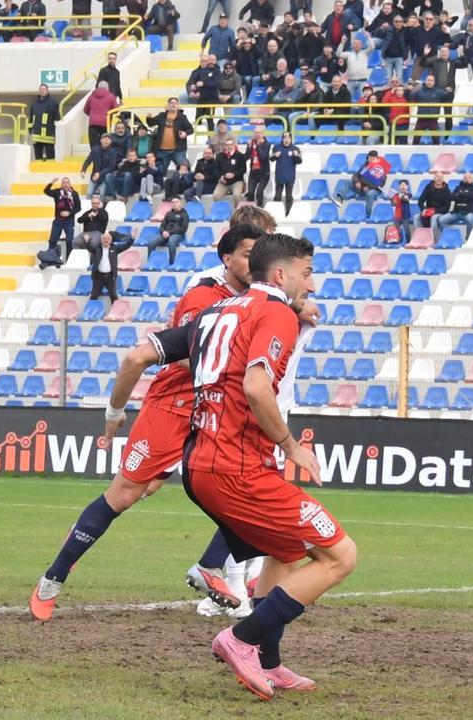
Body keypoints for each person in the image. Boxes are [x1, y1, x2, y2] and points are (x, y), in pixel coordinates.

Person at [102, 231, 353, 699]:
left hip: (201, 462)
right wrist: (291, 445)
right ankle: (242, 639)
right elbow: (257, 387)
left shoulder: (217, 310)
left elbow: (145, 354)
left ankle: (270, 661)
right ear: (280, 274)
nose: (312, 285)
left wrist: (117, 411)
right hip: (240, 468)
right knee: (340, 556)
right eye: (307, 273)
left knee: (284, 551)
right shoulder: (276, 313)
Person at [30, 224, 264, 622]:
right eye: (246, 254)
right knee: (125, 495)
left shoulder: (255, 300)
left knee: (248, 486)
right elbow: (190, 355)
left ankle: (210, 567)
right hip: (174, 408)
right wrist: (114, 412)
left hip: (216, 411)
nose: (254, 262)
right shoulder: (205, 295)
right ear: (227, 259)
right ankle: (54, 576)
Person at [87, 229, 136, 306]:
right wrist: (87, 241)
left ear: (111, 240)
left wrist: (132, 238)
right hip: (98, 277)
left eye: (108, 239)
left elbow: (126, 245)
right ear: (101, 240)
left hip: (110, 276)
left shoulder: (115, 248)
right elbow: (89, 247)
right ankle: (90, 311)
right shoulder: (97, 248)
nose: (106, 240)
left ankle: (115, 311)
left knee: (113, 295)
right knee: (94, 296)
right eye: (104, 239)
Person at [145, 97, 193, 172]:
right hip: (162, 150)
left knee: (183, 171)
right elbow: (151, 123)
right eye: (171, 103)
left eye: (175, 103)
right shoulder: (162, 116)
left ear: (178, 105)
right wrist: (148, 117)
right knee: (160, 172)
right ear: (168, 105)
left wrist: (185, 133)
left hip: (178, 150)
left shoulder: (182, 117)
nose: (173, 105)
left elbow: (191, 129)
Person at [43, 177, 82, 257]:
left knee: (69, 241)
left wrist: (69, 213)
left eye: (67, 182)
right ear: (61, 184)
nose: (65, 184)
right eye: (64, 182)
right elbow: (46, 191)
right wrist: (51, 182)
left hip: (69, 221)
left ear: (70, 184)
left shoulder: (74, 194)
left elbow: (78, 208)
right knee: (52, 240)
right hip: (58, 220)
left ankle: (69, 259)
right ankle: (50, 258)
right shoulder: (57, 192)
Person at [435, 171, 473, 238]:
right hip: (456, 212)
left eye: (469, 178)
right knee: (441, 220)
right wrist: (466, 196)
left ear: (472, 179)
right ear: (463, 179)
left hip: (469, 212)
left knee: (470, 220)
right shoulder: (458, 188)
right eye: (465, 178)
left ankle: (469, 238)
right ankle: (450, 237)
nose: (467, 179)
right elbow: (452, 197)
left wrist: (460, 194)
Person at [81, 133, 120, 201]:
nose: (106, 141)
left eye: (108, 139)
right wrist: (83, 170)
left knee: (102, 194)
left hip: (104, 178)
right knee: (89, 194)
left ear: (111, 141)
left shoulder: (113, 152)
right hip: (94, 177)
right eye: (104, 139)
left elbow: (111, 167)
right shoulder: (95, 150)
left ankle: (102, 209)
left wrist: (100, 174)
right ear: (101, 140)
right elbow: (88, 161)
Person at [83, 81, 121, 150]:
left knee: (94, 145)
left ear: (97, 87)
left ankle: (95, 159)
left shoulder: (91, 97)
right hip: (105, 123)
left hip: (93, 123)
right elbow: (116, 110)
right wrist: (119, 106)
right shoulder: (111, 96)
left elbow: (85, 109)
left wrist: (92, 116)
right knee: (105, 144)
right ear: (107, 88)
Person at [152, 196, 189, 263]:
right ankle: (151, 262)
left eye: (176, 202)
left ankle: (171, 263)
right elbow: (162, 226)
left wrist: (169, 232)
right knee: (151, 242)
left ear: (180, 203)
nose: (174, 204)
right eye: (173, 202)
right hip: (165, 234)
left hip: (178, 234)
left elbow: (183, 229)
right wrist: (163, 232)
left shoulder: (185, 214)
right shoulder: (168, 214)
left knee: (171, 242)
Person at [271, 131, 301, 216]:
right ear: (282, 138)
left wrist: (296, 156)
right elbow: (271, 159)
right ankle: (276, 214)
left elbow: (299, 161)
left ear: (291, 139)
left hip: (290, 177)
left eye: (288, 137)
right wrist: (275, 156)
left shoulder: (295, 148)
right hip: (279, 176)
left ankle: (288, 214)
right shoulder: (276, 147)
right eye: (285, 137)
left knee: (289, 196)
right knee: (277, 196)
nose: (286, 139)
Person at [29, 84, 60, 161]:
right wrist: (30, 129)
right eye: (40, 89)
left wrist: (56, 131)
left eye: (44, 89)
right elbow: (31, 118)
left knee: (50, 157)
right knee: (38, 158)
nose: (42, 91)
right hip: (36, 135)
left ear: (47, 91)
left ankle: (51, 171)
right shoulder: (34, 104)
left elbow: (57, 118)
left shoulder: (53, 103)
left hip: (49, 135)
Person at [213, 136, 248, 202]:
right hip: (224, 182)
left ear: (234, 145)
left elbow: (243, 169)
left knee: (236, 196)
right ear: (225, 146)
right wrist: (220, 177)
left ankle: (236, 211)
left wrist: (234, 174)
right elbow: (215, 169)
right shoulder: (220, 156)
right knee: (215, 196)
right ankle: (221, 211)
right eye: (227, 145)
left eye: (231, 144)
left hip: (237, 181)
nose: (229, 146)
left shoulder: (240, 156)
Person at [244, 126, 271, 204]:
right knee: (250, 193)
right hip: (254, 173)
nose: (258, 134)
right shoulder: (251, 143)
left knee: (259, 193)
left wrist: (258, 146)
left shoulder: (267, 144)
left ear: (263, 134)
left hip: (264, 173)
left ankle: (259, 211)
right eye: (256, 133)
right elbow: (246, 157)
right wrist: (249, 148)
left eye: (259, 132)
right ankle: (250, 212)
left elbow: (263, 156)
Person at [387, 179, 412, 244]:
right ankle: (398, 241)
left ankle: (408, 242)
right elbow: (393, 204)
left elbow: (405, 198)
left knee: (406, 230)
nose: (403, 186)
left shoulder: (409, 194)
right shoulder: (395, 195)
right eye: (401, 185)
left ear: (407, 187)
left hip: (405, 215)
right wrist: (391, 199)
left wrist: (401, 195)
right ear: (399, 187)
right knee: (396, 230)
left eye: (404, 185)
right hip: (397, 215)